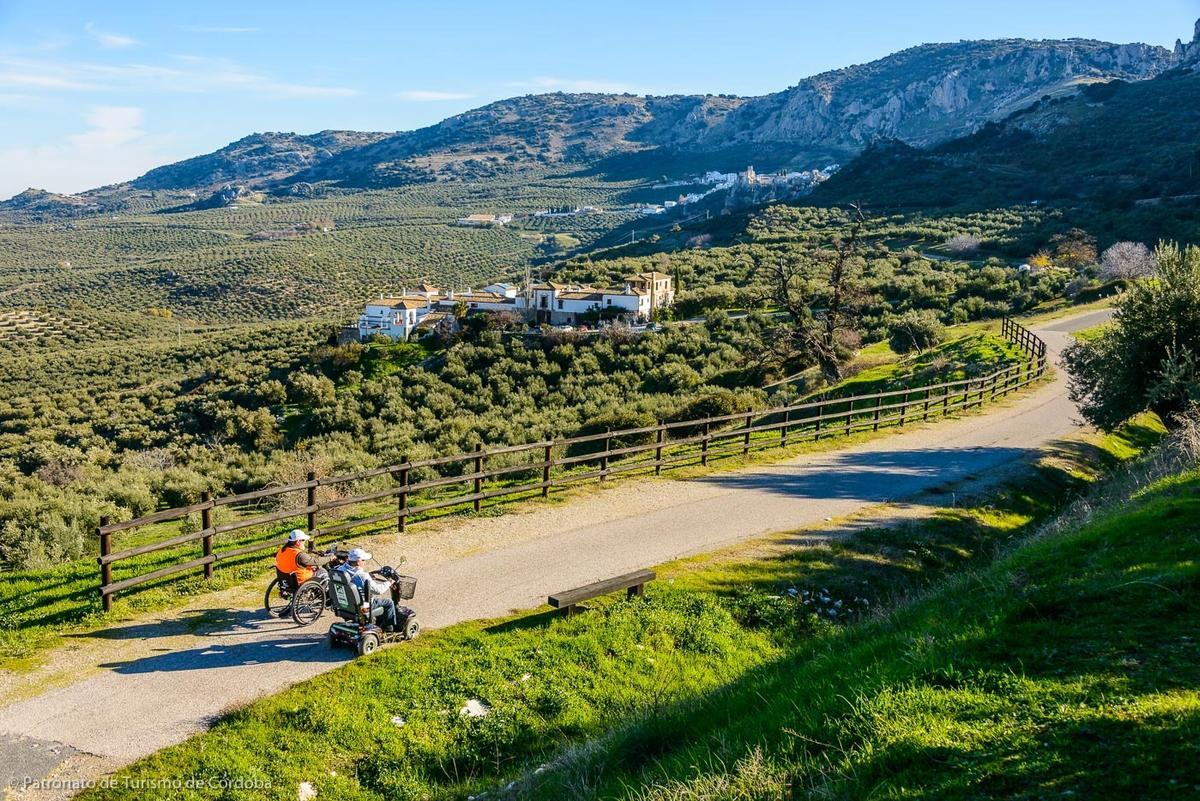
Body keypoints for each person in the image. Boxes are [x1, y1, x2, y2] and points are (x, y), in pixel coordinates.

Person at [274, 530, 333, 617]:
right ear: (298, 542)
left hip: (286, 579)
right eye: (303, 541)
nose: (304, 543)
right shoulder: (299, 555)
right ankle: (325, 597)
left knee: (314, 568)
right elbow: (316, 561)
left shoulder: (281, 551)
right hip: (301, 580)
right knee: (324, 573)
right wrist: (330, 558)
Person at [335, 547, 398, 630]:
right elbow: (378, 590)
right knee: (389, 603)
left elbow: (354, 578)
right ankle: (389, 628)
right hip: (362, 606)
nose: (365, 562)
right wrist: (389, 582)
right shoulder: (362, 576)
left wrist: (369, 577)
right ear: (358, 562)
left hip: (344, 605)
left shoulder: (339, 570)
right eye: (363, 560)